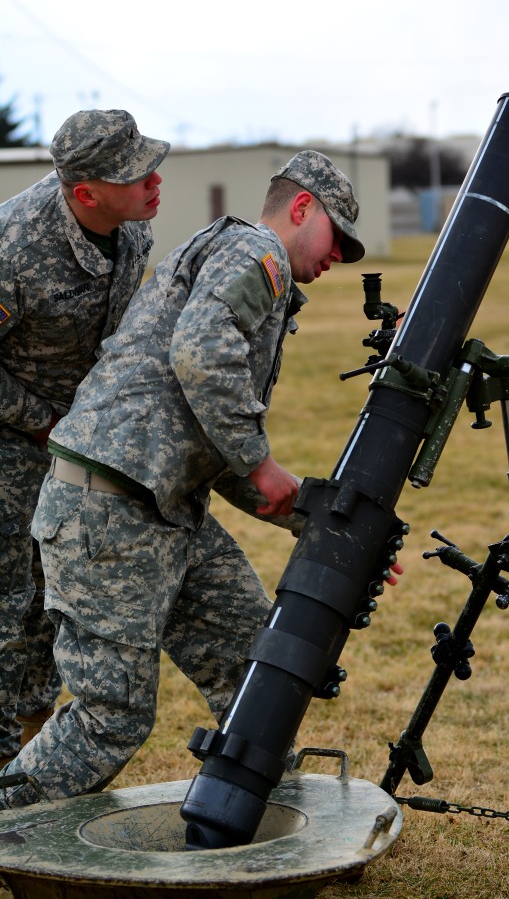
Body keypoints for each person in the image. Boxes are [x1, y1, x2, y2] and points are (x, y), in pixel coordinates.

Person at [0, 149, 370, 809]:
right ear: (302, 207)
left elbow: (206, 432)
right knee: (107, 723)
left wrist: (310, 519)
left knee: (252, 661)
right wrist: (263, 464)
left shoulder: (256, 270)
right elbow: (200, 356)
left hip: (163, 504)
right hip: (107, 509)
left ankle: (252, 812)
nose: (339, 255)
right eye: (337, 236)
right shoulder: (256, 255)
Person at [0, 109, 170, 770]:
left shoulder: (129, 225)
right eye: (135, 174)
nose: (155, 180)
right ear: (84, 193)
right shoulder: (15, 247)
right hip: (16, 437)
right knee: (16, 606)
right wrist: (42, 420)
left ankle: (33, 753)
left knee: (60, 594)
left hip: (78, 433)